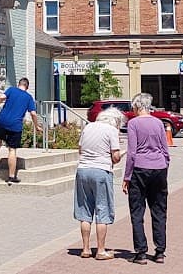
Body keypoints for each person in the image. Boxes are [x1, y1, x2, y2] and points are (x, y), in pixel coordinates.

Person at [123, 92, 169, 264]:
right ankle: (160, 251)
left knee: (137, 210)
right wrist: (165, 168)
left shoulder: (133, 123)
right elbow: (165, 149)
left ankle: (141, 252)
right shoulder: (158, 123)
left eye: (133, 107)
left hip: (140, 169)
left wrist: (127, 176)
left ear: (137, 106)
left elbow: (132, 152)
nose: (132, 110)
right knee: (159, 210)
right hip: (159, 168)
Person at [74, 108, 125, 260]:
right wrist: (121, 155)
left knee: (84, 210)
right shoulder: (111, 131)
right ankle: (101, 250)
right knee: (103, 209)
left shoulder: (88, 127)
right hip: (101, 171)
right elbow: (115, 157)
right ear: (115, 121)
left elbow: (81, 150)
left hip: (83, 170)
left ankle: (85, 248)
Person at [0, 77, 43, 184]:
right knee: (12, 150)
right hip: (15, 126)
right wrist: (36, 126)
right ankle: (11, 177)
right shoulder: (28, 97)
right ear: (27, 87)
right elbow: (33, 113)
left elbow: (1, 97)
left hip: (2, 121)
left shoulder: (11, 90)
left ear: (19, 84)